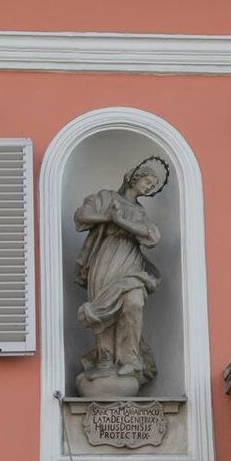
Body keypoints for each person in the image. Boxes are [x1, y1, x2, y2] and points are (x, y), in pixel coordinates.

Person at [74, 161, 165, 396]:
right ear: (133, 178)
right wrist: (109, 218)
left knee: (134, 302)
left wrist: (122, 222)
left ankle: (130, 359)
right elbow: (82, 216)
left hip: (130, 262)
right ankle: (105, 360)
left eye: (153, 185)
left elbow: (152, 237)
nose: (148, 187)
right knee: (102, 309)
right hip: (104, 259)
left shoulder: (141, 212)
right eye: (147, 181)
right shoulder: (105, 197)